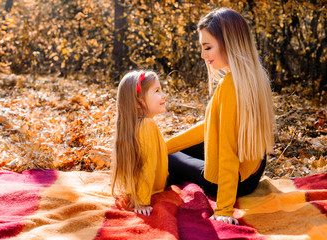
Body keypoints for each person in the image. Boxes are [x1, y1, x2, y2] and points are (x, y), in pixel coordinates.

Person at [166, 8, 275, 225]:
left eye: (208, 47)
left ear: (229, 44)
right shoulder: (255, 75)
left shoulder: (229, 85)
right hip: (254, 167)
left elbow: (227, 150)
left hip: (236, 181)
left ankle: (163, 174)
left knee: (169, 157)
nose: (203, 55)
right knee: (172, 147)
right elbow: (211, 128)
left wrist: (224, 208)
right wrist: (164, 144)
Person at [111, 70, 168, 216]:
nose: (164, 95)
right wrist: (142, 201)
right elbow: (147, 166)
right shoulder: (147, 125)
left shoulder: (133, 126)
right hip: (160, 181)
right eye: (157, 91)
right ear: (138, 101)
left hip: (163, 169)